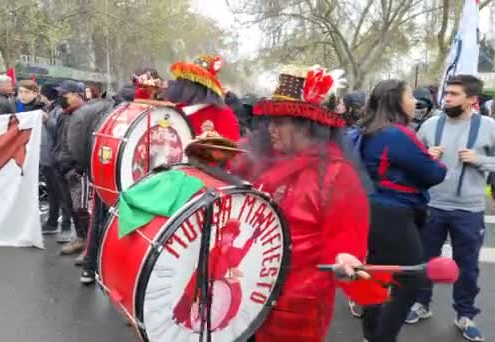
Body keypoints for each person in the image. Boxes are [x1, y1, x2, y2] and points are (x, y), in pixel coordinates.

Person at [231, 66, 372, 341]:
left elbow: (346, 238)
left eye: (281, 122)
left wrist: (345, 257)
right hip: (242, 291)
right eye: (270, 121)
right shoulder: (259, 158)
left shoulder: (336, 175)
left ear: (308, 126)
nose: (271, 129)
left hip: (297, 305)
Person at [358, 79, 447, 342]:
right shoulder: (398, 133)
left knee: (375, 277)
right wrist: (433, 160)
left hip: (372, 210)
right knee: (411, 279)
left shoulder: (369, 130)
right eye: (410, 96)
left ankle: (371, 334)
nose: (415, 102)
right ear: (397, 100)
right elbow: (433, 174)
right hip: (394, 214)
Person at [409, 75, 493, 342]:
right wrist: (424, 157)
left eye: (455, 94)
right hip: (432, 205)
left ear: (472, 100)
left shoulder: (489, 126)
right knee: (426, 260)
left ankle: (465, 315)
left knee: (467, 266)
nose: (447, 98)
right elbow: (410, 160)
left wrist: (479, 160)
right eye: (447, 94)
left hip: (469, 210)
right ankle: (421, 304)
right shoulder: (430, 125)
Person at [66, 81, 114, 268]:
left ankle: (90, 254)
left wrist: (81, 165)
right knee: (94, 211)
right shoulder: (111, 109)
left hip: (90, 167)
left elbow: (74, 142)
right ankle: (94, 253)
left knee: (90, 210)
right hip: (98, 167)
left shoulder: (83, 112)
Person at [166, 54, 240, 141]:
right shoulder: (177, 109)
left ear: (205, 87)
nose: (185, 85)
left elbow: (231, 148)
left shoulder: (223, 114)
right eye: (186, 80)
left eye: (193, 82)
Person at [54, 81, 91, 255]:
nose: (61, 99)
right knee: (70, 207)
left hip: (78, 171)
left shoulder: (86, 115)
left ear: (78, 95)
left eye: (65, 95)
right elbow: (58, 141)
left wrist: (78, 166)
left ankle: (90, 243)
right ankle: (80, 238)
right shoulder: (62, 115)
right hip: (62, 167)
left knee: (82, 208)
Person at [39, 83, 72, 235]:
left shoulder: (59, 112)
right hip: (49, 156)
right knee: (53, 192)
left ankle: (62, 225)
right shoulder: (52, 109)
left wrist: (46, 120)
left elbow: (57, 132)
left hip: (55, 158)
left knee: (60, 194)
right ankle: (53, 221)